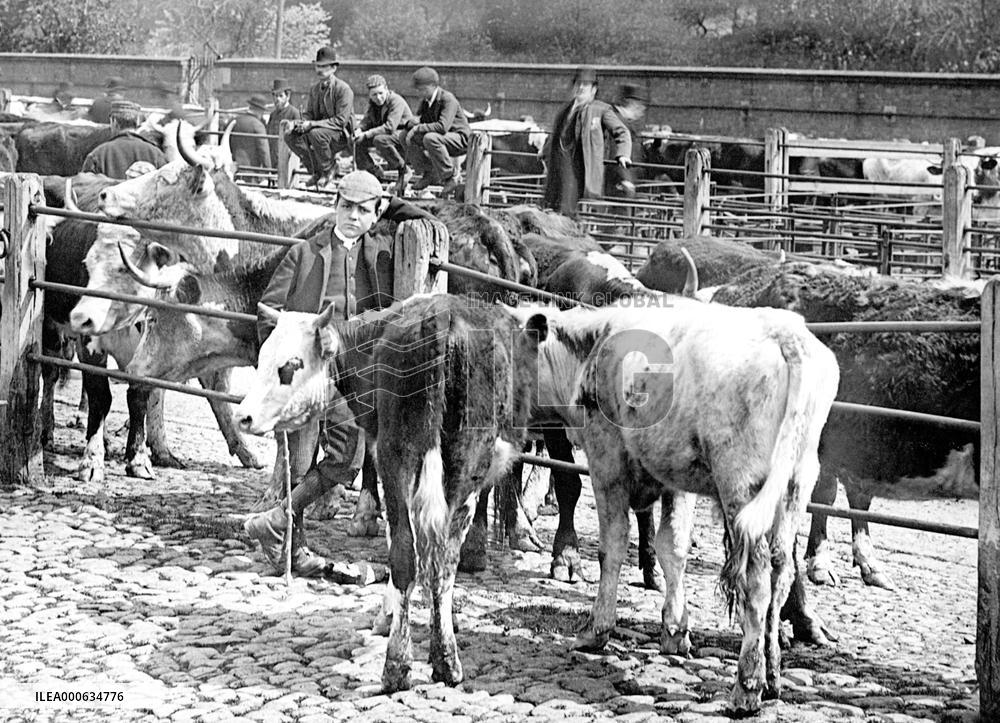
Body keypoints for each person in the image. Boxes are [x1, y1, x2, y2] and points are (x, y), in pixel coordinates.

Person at [245, 170, 435, 577]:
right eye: (345, 206)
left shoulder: (384, 255)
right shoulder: (303, 253)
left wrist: (390, 204)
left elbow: (426, 222)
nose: (351, 216)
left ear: (376, 213)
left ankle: (276, 519)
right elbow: (268, 314)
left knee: (346, 461)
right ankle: (294, 551)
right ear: (334, 206)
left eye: (363, 210)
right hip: (304, 376)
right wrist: (291, 358)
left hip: (351, 379)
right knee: (298, 462)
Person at [542, 66, 632, 217]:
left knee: (568, 208)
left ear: (594, 89)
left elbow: (622, 132)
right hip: (559, 165)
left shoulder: (601, 110)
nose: (581, 87)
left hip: (581, 168)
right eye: (578, 83)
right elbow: (556, 135)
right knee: (551, 206)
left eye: (586, 84)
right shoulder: (565, 110)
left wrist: (623, 154)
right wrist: (544, 151)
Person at [284, 46, 354, 189]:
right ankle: (316, 171)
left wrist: (312, 125)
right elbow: (310, 113)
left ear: (334, 68)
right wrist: (299, 122)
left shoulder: (343, 89)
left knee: (315, 134)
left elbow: (340, 121)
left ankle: (329, 169)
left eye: (324, 66)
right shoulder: (315, 89)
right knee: (291, 135)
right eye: (317, 66)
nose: (319, 70)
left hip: (341, 135)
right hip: (319, 132)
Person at [402, 66, 470, 196]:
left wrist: (418, 127)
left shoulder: (448, 99)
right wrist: (412, 123)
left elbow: (442, 127)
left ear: (434, 86)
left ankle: (451, 176)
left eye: (423, 89)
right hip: (442, 139)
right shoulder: (426, 102)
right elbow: (422, 121)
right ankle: (428, 172)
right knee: (405, 136)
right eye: (418, 90)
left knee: (430, 138)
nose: (420, 93)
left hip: (460, 138)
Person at [353, 74, 413, 189]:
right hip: (387, 134)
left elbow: (390, 127)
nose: (378, 97)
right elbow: (367, 120)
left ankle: (403, 170)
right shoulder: (373, 104)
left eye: (381, 93)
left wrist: (366, 134)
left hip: (403, 133)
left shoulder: (396, 101)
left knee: (379, 140)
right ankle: (373, 171)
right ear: (370, 95)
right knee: (358, 141)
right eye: (374, 95)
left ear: (386, 89)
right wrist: (359, 130)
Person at [80, 101, 168, 179]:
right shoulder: (156, 154)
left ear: (113, 122)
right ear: (138, 122)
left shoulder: (98, 155)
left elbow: (84, 188)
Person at [605, 83, 648, 198]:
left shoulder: (625, 122)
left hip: (626, 183)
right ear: (631, 103)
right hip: (619, 185)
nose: (641, 111)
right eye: (639, 106)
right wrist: (625, 179)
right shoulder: (616, 122)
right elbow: (615, 149)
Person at [265, 78, 300, 169]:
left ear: (287, 96)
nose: (277, 99)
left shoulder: (294, 113)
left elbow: (300, 140)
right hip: (273, 159)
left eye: (280, 96)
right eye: (275, 96)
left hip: (287, 160)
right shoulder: (273, 115)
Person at [230, 94, 272, 170]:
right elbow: (264, 151)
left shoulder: (235, 121)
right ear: (260, 111)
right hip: (251, 171)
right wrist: (268, 169)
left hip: (232, 168)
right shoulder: (258, 126)